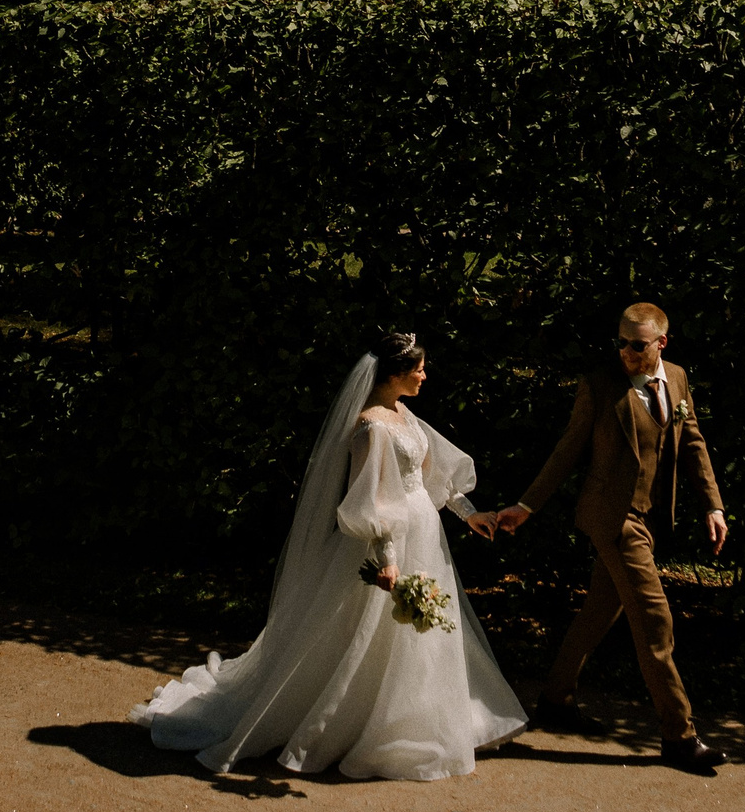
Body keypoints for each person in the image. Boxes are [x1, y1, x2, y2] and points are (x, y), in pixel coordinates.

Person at [133, 330, 527, 780]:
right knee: (364, 633)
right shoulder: (371, 427)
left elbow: (430, 472)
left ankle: (423, 718)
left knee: (420, 632)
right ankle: (358, 723)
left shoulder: (403, 414)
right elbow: (371, 501)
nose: (424, 375)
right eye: (417, 368)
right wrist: (387, 557)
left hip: (425, 533)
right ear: (394, 373)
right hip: (393, 541)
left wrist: (469, 513)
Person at [494, 302, 730, 772]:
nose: (625, 351)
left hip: (649, 519)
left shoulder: (678, 379)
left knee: (599, 611)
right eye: (620, 341)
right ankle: (679, 736)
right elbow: (567, 450)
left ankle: (556, 701)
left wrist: (713, 504)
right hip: (613, 519)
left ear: (661, 343)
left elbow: (693, 440)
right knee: (655, 620)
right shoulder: (600, 387)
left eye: (636, 344)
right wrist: (526, 506)